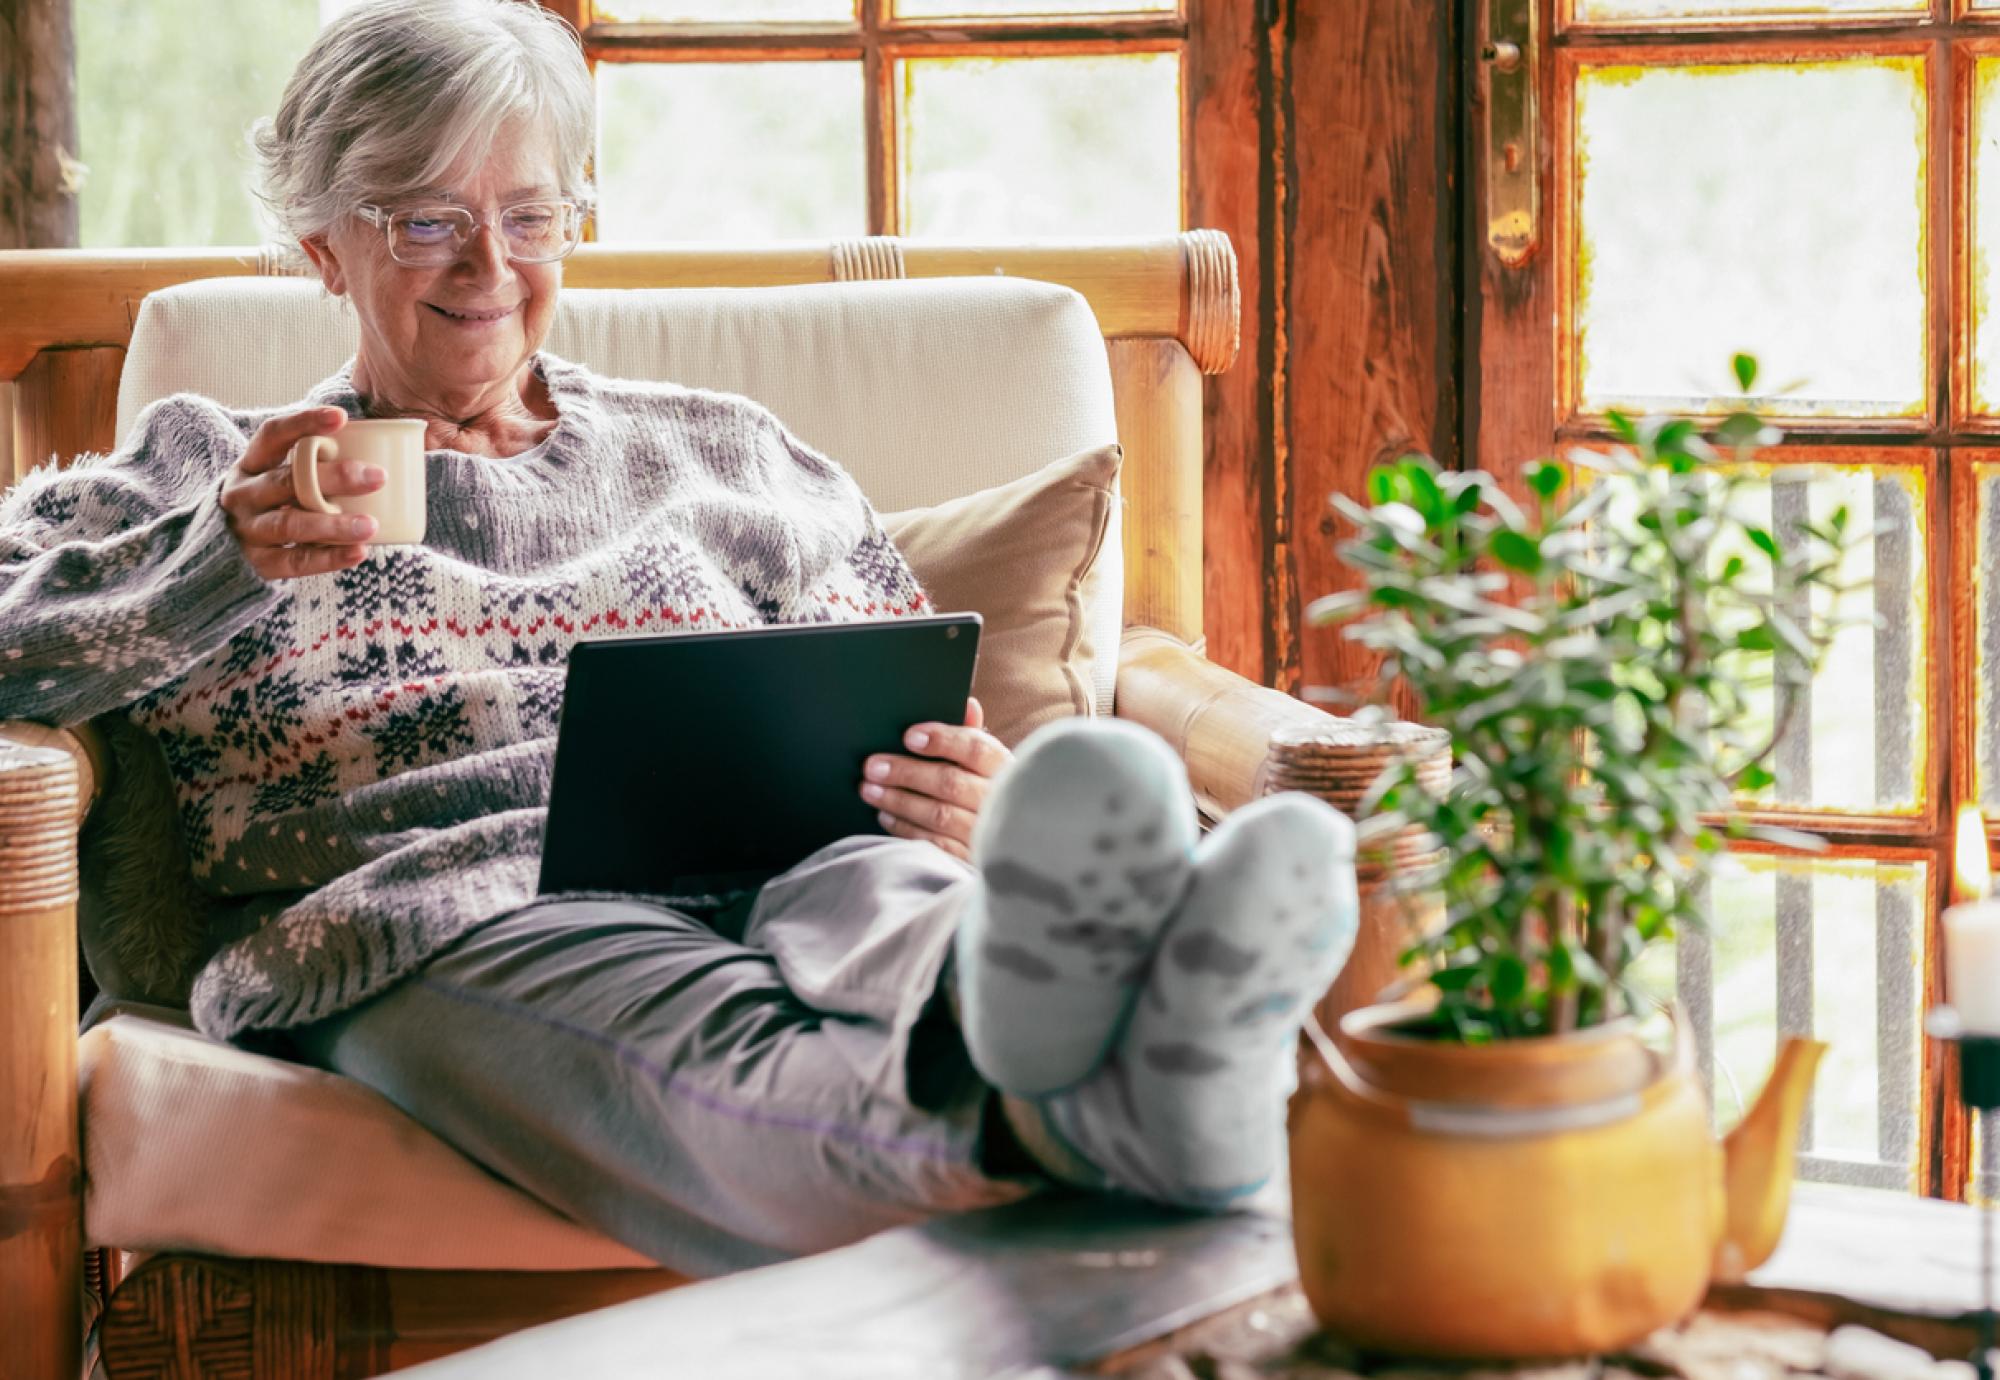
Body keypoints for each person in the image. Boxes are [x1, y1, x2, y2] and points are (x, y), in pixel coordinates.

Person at [0, 0, 1358, 1275]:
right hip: (451, 905)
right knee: (702, 1038)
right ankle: (1097, 1112)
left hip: (798, 850)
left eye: (530, 214)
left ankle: (1082, 990)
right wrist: (209, 566)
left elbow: (903, 674)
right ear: (322, 245)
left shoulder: (724, 451)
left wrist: (966, 790)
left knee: (895, 904)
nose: (491, 266)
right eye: (427, 223)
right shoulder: (214, 472)